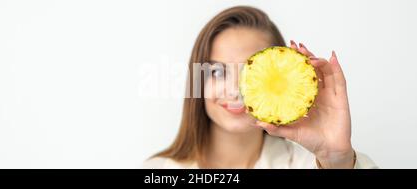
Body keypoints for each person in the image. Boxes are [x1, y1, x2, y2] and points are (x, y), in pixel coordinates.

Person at [144, 6, 377, 169]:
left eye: (250, 71)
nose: (235, 89)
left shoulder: (316, 165)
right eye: (217, 71)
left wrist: (337, 160)